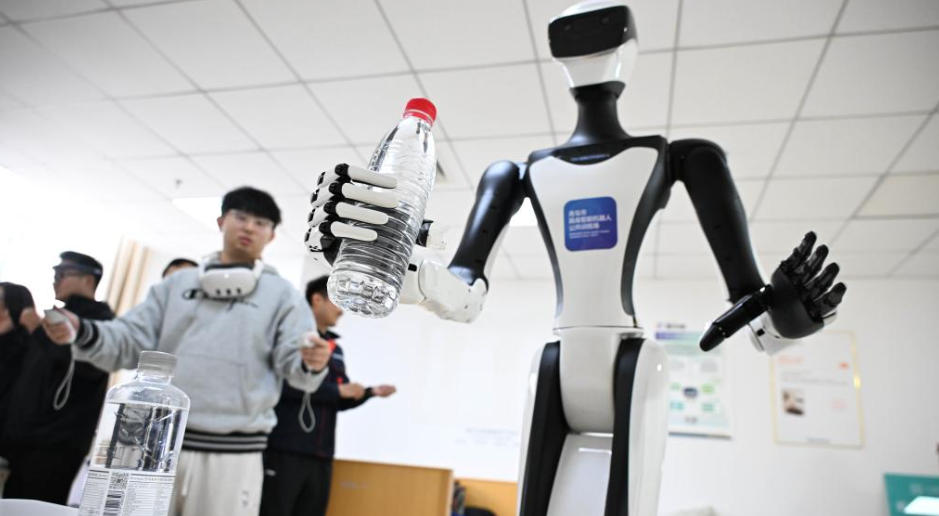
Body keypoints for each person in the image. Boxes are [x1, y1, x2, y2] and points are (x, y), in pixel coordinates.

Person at [42, 187, 332, 516]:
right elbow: (127, 339)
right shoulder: (175, 286)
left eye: (261, 223)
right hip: (155, 443)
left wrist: (311, 361)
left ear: (272, 235)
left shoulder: (283, 296)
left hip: (235, 454)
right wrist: (82, 330)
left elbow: (297, 365)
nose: (249, 227)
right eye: (241, 217)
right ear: (221, 221)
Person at [260, 276, 396, 516]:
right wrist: (337, 391)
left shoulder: (336, 349)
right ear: (317, 299)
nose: (342, 310)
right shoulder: (289, 340)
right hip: (285, 449)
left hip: (322, 455)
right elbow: (280, 386)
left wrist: (368, 393)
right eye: (337, 301)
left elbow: (337, 399)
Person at [1, 253, 115, 504]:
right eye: (55, 274)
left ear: (88, 280)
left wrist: (37, 330)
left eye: (63, 274)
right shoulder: (56, 318)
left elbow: (84, 366)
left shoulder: (100, 323)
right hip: (27, 440)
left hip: (56, 443)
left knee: (37, 506)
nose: (56, 280)